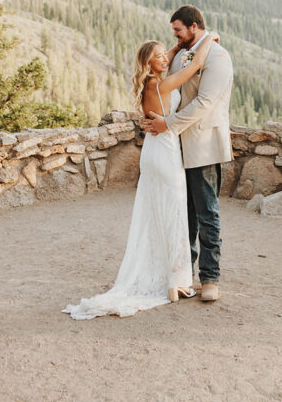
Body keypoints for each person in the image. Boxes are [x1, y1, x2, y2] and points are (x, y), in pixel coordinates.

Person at [63, 32, 216, 319]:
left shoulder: (150, 81)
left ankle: (173, 279)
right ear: (148, 64)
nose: (163, 58)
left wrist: (176, 46)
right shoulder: (161, 83)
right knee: (173, 213)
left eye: (162, 54)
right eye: (157, 57)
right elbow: (194, 67)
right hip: (166, 152)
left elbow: (168, 58)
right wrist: (210, 37)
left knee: (156, 212)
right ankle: (175, 283)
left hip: (154, 150)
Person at [141, 5, 234, 303]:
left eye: (178, 31)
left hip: (203, 145)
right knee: (184, 214)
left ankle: (210, 278)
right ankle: (184, 275)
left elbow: (205, 102)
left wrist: (165, 123)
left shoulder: (218, 57)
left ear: (194, 27)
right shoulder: (184, 52)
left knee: (207, 213)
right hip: (175, 145)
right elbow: (164, 81)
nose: (175, 37)